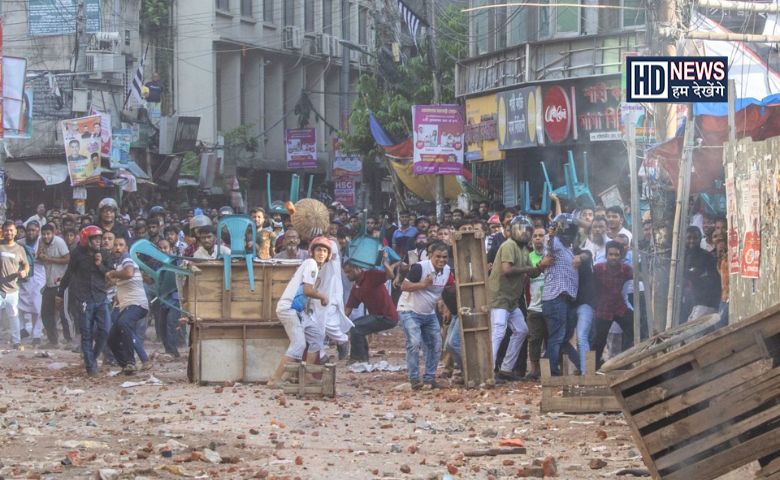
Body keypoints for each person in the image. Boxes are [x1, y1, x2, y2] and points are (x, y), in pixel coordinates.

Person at [268, 237, 332, 387]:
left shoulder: (313, 267)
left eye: (324, 251)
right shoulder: (311, 264)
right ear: (312, 252)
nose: (321, 253)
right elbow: (307, 290)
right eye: (318, 250)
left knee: (317, 335)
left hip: (298, 311)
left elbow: (305, 292)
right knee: (298, 344)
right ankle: (274, 380)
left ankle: (308, 376)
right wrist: (322, 296)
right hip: (289, 308)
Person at [487, 215, 540, 381]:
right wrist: (528, 269)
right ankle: (488, 370)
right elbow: (507, 270)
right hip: (499, 295)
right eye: (520, 230)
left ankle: (506, 369)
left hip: (512, 299)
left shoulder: (525, 250)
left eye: (527, 230)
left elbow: (532, 272)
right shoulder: (509, 245)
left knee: (522, 330)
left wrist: (541, 265)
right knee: (498, 331)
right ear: (512, 231)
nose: (524, 233)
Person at [56, 226, 114, 376]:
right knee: (86, 333)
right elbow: (69, 273)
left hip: (101, 297)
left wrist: (99, 264)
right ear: (86, 240)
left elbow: (110, 274)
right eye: (94, 239)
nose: (98, 242)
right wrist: (60, 293)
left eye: (99, 239)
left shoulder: (105, 253)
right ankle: (90, 367)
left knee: (105, 329)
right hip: (83, 298)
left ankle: (92, 356)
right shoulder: (76, 254)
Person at [397, 241, 452, 390]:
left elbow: (450, 288)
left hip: (428, 312)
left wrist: (446, 306)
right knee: (414, 343)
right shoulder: (419, 267)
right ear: (430, 256)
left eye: (445, 257)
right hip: (409, 310)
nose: (441, 260)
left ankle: (429, 378)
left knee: (436, 344)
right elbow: (404, 286)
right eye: (438, 257)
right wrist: (423, 284)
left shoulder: (447, 270)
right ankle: (414, 379)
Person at [539, 213, 580, 376]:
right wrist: (551, 233)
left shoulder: (568, 248)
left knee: (562, 337)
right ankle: (552, 372)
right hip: (556, 299)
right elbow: (548, 244)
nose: (569, 232)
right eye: (566, 229)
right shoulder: (554, 243)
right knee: (557, 337)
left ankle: (581, 365)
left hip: (565, 300)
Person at [106, 236, 152, 374]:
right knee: (112, 338)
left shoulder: (126, 258)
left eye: (121, 245)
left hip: (137, 304)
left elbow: (129, 273)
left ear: (126, 248)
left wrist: (113, 274)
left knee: (124, 324)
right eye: (115, 245)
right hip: (127, 306)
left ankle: (131, 362)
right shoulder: (118, 264)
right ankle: (127, 366)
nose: (117, 248)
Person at [344, 253, 398, 363]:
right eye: (345, 273)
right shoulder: (356, 287)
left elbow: (391, 276)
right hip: (376, 316)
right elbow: (348, 309)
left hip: (387, 316)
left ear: (357, 268)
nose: (347, 275)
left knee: (356, 328)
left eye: (349, 272)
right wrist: (340, 326)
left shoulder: (371, 275)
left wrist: (384, 262)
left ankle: (358, 358)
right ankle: (362, 358)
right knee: (355, 327)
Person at [591, 241, 635, 368]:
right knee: (599, 339)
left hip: (618, 306)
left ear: (621, 256)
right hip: (603, 309)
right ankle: (593, 367)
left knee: (632, 326)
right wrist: (595, 303)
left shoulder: (626, 269)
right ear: (606, 255)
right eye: (611, 254)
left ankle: (625, 361)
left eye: (616, 255)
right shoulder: (598, 269)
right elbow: (590, 285)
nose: (613, 257)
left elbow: (639, 276)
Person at [38, 223, 72, 348]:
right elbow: (39, 257)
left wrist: (50, 259)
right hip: (48, 282)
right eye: (44, 234)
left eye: (48, 234)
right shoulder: (41, 241)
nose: (46, 236)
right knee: (45, 313)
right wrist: (41, 255)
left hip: (61, 282)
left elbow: (68, 259)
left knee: (64, 314)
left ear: (53, 233)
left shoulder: (59, 242)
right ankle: (53, 341)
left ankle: (70, 340)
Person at [681, 226, 721, 323]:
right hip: (686, 302)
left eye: (695, 238)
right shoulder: (681, 257)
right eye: (689, 238)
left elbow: (712, 280)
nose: (692, 241)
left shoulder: (707, 257)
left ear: (700, 239)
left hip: (704, 302)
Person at [0, 221, 30, 349]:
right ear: (2, 232)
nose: (9, 232)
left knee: (14, 316)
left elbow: (26, 264)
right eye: (6, 230)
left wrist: (24, 272)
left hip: (13, 289)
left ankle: (16, 341)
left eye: (11, 230)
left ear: (15, 232)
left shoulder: (20, 249)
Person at [18, 221, 46, 346]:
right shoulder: (20, 243)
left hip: (39, 278)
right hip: (24, 278)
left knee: (37, 307)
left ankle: (36, 335)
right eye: (28, 230)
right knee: (19, 306)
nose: (30, 232)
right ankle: (22, 329)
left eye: (33, 230)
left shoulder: (43, 241)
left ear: (38, 231)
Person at [525, 226, 547, 380]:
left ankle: (551, 369)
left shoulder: (552, 256)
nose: (538, 238)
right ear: (531, 239)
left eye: (541, 235)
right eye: (535, 236)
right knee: (534, 339)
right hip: (534, 305)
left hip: (551, 304)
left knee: (551, 338)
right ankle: (534, 370)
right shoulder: (528, 257)